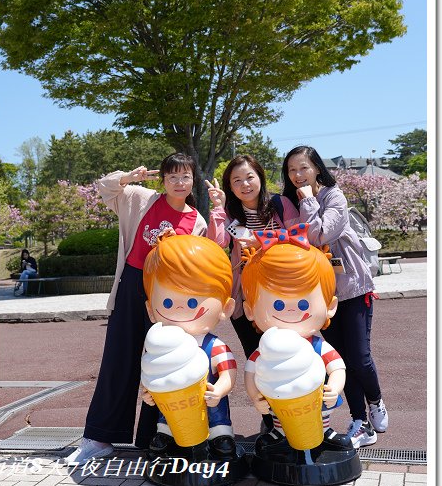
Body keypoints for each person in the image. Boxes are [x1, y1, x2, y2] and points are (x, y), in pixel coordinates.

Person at [70, 153, 207, 464]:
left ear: (192, 180)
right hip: (133, 282)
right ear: (163, 180)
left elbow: (194, 262)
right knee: (118, 356)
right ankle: (100, 436)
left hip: (167, 294)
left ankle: (152, 437)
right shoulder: (141, 198)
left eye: (185, 176)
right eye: (172, 176)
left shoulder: (196, 220)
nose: (179, 182)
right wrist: (128, 177)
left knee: (163, 360)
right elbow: (104, 187)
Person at [281, 145, 388, 448]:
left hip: (353, 288)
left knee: (359, 356)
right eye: (292, 170)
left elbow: (320, 234)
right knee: (339, 360)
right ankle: (360, 421)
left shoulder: (333, 196)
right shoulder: (293, 200)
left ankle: (376, 401)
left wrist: (309, 201)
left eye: (303, 168)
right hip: (323, 295)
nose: (298, 175)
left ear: (316, 167)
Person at [241, 236, 352, 453]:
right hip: (279, 399)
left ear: (330, 306)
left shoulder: (317, 346)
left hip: (316, 396)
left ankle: (325, 430)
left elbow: (337, 367)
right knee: (280, 411)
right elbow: (250, 372)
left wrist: (335, 388)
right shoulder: (266, 349)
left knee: (321, 411)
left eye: (303, 303)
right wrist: (256, 397)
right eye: (279, 304)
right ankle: (280, 432)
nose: (291, 310)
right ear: (250, 310)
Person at [142, 234, 238, 458]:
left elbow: (228, 372)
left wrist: (221, 388)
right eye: (167, 302)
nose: (178, 309)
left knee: (216, 414)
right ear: (150, 309)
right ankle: (166, 434)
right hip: (173, 405)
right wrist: (149, 392)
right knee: (168, 413)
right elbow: (151, 372)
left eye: (193, 302)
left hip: (210, 401)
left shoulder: (214, 346)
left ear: (226, 308)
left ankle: (220, 435)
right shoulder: (158, 345)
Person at [205, 155, 298, 359]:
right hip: (245, 295)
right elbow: (216, 243)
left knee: (290, 353)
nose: (244, 184)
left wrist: (265, 240)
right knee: (255, 356)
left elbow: (299, 236)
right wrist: (219, 207)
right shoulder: (230, 211)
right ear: (230, 186)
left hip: (283, 292)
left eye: (249, 177)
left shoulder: (280, 204)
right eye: (236, 180)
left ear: (260, 177)